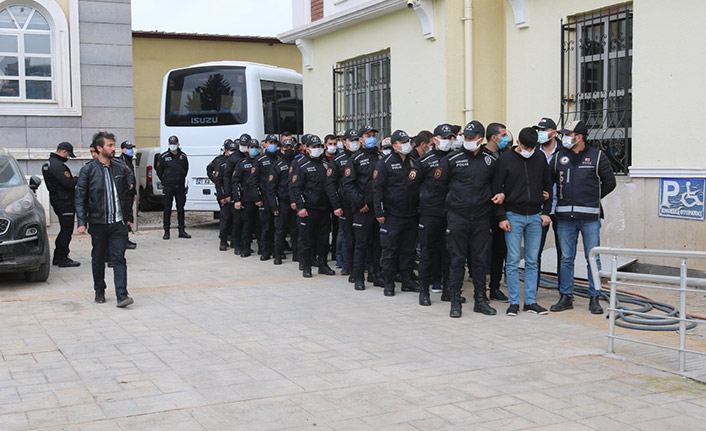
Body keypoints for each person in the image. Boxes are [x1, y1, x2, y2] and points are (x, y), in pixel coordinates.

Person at [550, 120, 616, 314]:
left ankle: (594, 297)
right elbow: (549, 181)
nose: (565, 138)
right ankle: (566, 296)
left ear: (578, 137)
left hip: (589, 217)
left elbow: (610, 182)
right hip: (564, 217)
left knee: (592, 258)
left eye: (568, 134)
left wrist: (592, 198)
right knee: (566, 258)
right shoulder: (559, 157)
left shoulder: (597, 157)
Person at [438, 120, 501, 318]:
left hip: (481, 217)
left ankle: (480, 299)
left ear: (481, 139)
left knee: (480, 260)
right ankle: (455, 300)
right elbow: (440, 187)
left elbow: (497, 186)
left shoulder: (489, 160)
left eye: (471, 138)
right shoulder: (452, 159)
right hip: (458, 216)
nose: (467, 140)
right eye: (465, 137)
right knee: (457, 260)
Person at [493, 127, 553, 316]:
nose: (529, 151)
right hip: (513, 215)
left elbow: (548, 186)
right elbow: (496, 189)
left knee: (532, 261)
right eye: (526, 147)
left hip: (535, 215)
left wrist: (546, 212)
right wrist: (501, 216)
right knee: (512, 261)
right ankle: (513, 302)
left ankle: (530, 301)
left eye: (532, 147)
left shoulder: (540, 158)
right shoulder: (505, 160)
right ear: (518, 143)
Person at [75, 131, 134, 307]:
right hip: (98, 223)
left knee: (119, 258)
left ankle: (122, 295)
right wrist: (81, 221)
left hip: (118, 223)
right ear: (99, 148)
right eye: (109, 145)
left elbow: (125, 195)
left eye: (113, 145)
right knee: (98, 258)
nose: (113, 148)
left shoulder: (120, 167)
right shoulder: (88, 170)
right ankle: (99, 290)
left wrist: (129, 218)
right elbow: (80, 197)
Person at [373, 129, 422, 296]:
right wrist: (379, 211)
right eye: (402, 142)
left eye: (408, 141)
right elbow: (377, 189)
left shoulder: (414, 161)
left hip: (410, 213)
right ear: (394, 146)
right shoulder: (384, 163)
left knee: (408, 250)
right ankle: (388, 282)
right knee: (390, 249)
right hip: (392, 215)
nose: (407, 145)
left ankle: (407, 280)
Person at [417, 124, 454, 305]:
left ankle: (448, 289)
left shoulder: (455, 158)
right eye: (444, 137)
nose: (447, 141)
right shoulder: (424, 161)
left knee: (449, 253)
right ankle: (424, 291)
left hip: (450, 213)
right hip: (430, 213)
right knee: (427, 253)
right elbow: (413, 186)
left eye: (450, 138)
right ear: (435, 139)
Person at [343, 125, 383, 289]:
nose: (371, 138)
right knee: (361, 244)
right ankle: (358, 276)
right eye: (368, 135)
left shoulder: (380, 157)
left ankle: (376, 274)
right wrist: (360, 203)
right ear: (360, 139)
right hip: (363, 209)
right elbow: (348, 184)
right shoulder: (355, 160)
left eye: (373, 135)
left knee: (377, 244)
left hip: (378, 208)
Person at [290, 135, 335, 278]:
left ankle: (323, 264)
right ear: (307, 149)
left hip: (324, 209)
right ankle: (306, 265)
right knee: (306, 239)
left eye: (319, 147)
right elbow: (295, 188)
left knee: (322, 239)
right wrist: (300, 207)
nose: (317, 149)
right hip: (308, 209)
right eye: (314, 147)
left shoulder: (325, 164)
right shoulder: (301, 164)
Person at [482, 122, 512, 302]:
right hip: (483, 209)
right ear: (494, 137)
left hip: (500, 210)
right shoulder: (481, 156)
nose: (506, 138)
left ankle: (495, 286)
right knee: (483, 251)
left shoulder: (505, 155)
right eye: (503, 135)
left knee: (500, 250)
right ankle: (481, 288)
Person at [327, 128, 359, 284]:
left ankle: (360, 266)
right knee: (348, 237)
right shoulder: (338, 160)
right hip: (345, 204)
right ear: (344, 142)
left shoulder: (362, 157)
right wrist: (336, 205)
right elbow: (331, 185)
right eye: (351, 140)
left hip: (361, 204)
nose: (354, 143)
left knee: (362, 238)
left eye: (356, 140)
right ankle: (348, 265)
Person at [534, 117, 562, 290]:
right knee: (535, 251)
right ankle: (532, 289)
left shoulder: (564, 152)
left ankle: (564, 291)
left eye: (544, 130)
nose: (541, 134)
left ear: (554, 132)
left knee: (564, 252)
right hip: (539, 208)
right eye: (539, 130)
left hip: (561, 207)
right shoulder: (534, 152)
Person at [42, 141, 80, 268]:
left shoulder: (48, 163)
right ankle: (62, 258)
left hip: (57, 199)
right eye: (68, 155)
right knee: (66, 231)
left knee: (64, 229)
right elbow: (67, 183)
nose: (68, 158)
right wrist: (76, 179)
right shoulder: (58, 166)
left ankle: (58, 257)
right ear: (64, 152)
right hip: (65, 201)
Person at [268, 137, 298, 265]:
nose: (288, 149)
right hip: (283, 202)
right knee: (280, 230)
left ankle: (297, 255)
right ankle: (278, 255)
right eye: (286, 147)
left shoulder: (298, 163)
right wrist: (274, 206)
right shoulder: (278, 165)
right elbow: (271, 187)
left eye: (290, 147)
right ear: (282, 149)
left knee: (296, 230)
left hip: (296, 202)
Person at [232, 139, 263, 258]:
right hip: (247, 199)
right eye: (252, 147)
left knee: (261, 224)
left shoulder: (262, 161)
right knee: (247, 225)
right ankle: (246, 247)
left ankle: (262, 247)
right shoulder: (242, 163)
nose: (254, 149)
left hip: (261, 198)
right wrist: (237, 199)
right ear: (248, 149)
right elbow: (235, 182)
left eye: (256, 147)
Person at [156, 135, 190, 240]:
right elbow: (159, 171)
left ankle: (182, 230)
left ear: (178, 144)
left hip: (179, 186)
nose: (173, 146)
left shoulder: (183, 156)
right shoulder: (163, 157)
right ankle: (166, 232)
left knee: (181, 208)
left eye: (174, 144)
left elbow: (185, 169)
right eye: (171, 144)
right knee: (167, 209)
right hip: (168, 186)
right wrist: (166, 180)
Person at [223, 134, 250, 253]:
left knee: (247, 222)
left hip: (248, 194)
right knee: (236, 221)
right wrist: (228, 194)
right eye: (242, 145)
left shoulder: (251, 157)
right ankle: (236, 243)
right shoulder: (233, 158)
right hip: (236, 193)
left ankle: (245, 244)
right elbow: (227, 178)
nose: (244, 147)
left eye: (246, 145)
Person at [208, 139, 235, 250]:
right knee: (225, 219)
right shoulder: (221, 162)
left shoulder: (237, 161)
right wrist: (222, 197)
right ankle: (223, 241)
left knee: (236, 220)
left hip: (235, 195)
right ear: (226, 150)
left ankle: (234, 241)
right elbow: (218, 181)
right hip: (224, 195)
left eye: (234, 150)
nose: (232, 152)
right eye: (231, 150)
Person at [257, 134, 280, 260]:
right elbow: (253, 181)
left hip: (277, 197)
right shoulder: (260, 160)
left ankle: (277, 250)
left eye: (274, 143)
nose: (273, 145)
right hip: (265, 197)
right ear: (265, 144)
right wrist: (258, 198)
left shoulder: (279, 159)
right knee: (266, 226)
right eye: (270, 142)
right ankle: (265, 251)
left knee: (278, 226)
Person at [119, 140, 137, 249]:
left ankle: (126, 239)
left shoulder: (129, 160)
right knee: (125, 217)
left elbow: (133, 178)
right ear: (123, 150)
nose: (131, 150)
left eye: (131, 148)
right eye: (128, 148)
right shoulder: (121, 161)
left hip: (129, 193)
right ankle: (124, 240)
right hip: (125, 194)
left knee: (129, 215)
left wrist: (134, 192)